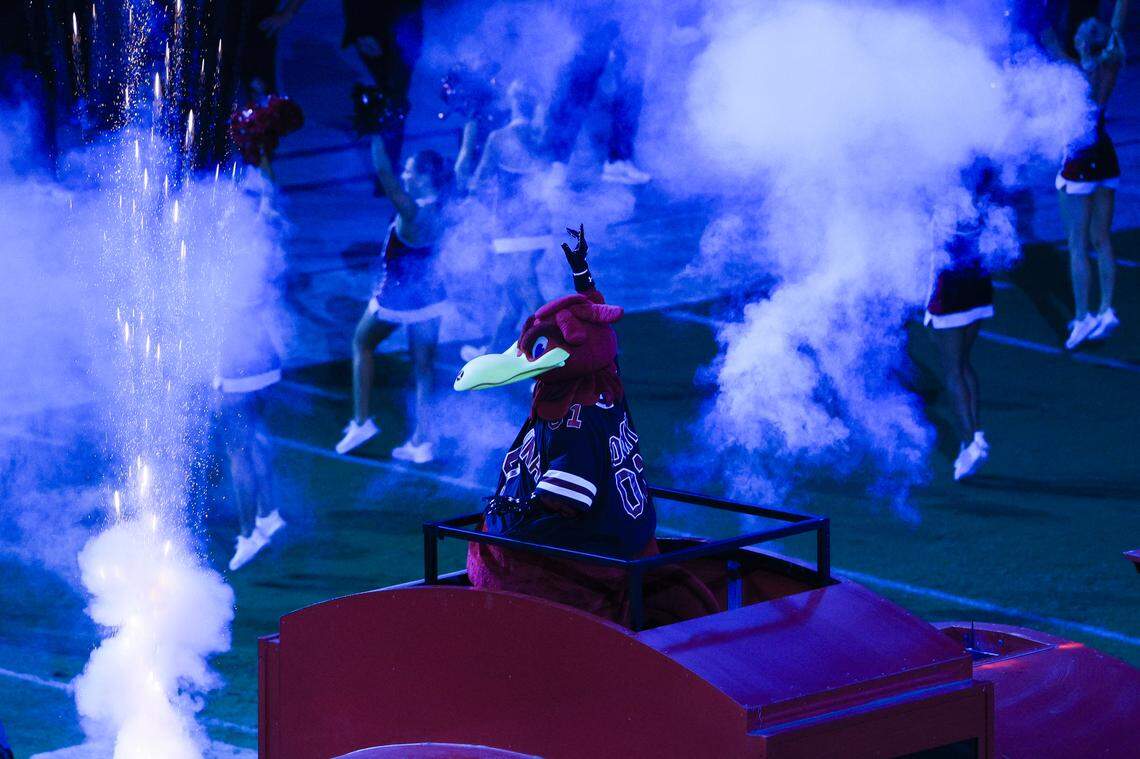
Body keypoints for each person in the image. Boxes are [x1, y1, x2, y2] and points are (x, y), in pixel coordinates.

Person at [334, 142, 454, 462]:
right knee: (424, 367)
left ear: (425, 177)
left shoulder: (413, 211)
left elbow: (384, 173)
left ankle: (361, 422)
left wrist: (373, 134)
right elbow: (466, 157)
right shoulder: (445, 207)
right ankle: (422, 441)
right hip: (431, 298)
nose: (405, 175)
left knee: (362, 342)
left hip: (397, 298)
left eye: (410, 171)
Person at [459, 79, 552, 362]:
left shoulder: (498, 138)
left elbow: (475, 182)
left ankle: (557, 358)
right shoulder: (543, 136)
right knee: (513, 296)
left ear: (512, 102)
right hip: (539, 226)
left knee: (529, 294)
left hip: (511, 229)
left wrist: (468, 140)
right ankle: (492, 354)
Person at [1055, 1, 1128, 350]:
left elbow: (1051, 45)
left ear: (1085, 41)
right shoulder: (1112, 58)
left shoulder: (1078, 70)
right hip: (1105, 153)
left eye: (1084, 32)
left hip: (1081, 157)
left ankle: (1083, 316)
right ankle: (1106, 308)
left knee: (1076, 242)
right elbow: (1117, 20)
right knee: (1103, 238)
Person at [926, 165, 1004, 482]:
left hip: (950, 286)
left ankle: (970, 442)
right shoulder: (981, 184)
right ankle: (976, 433)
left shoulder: (944, 188)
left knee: (952, 370)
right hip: (979, 281)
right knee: (964, 363)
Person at [216, 287, 286, 571]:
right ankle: (268, 513)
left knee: (238, 452)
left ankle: (248, 534)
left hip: (237, 367)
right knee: (257, 438)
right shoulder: (250, 252)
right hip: (265, 360)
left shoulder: (221, 264)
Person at [545, 18, 650, 185]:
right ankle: (558, 164)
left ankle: (618, 160)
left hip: (626, 12)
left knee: (632, 76)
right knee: (582, 80)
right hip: (599, 11)